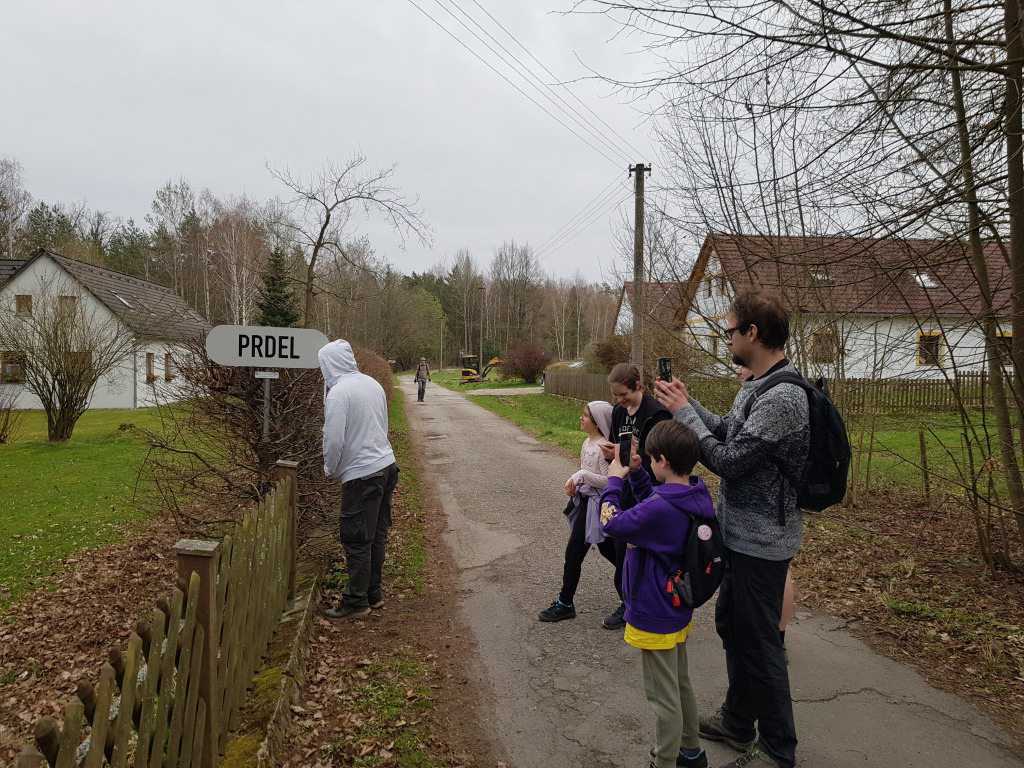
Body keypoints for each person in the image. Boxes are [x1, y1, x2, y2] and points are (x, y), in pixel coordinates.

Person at [656, 291, 808, 768]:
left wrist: (684, 416)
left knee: (761, 643)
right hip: (739, 535)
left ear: (752, 333)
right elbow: (726, 432)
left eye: (729, 331)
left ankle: (779, 751)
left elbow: (729, 461)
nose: (726, 339)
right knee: (733, 627)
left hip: (763, 542)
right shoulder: (757, 385)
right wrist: (688, 404)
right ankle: (739, 722)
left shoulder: (784, 397)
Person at [600, 420, 714, 768]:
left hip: (654, 610)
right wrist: (637, 473)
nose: (648, 463)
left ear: (662, 460)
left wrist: (614, 481)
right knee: (679, 684)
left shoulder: (660, 509)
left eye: (650, 460)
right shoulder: (694, 494)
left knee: (662, 697)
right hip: (676, 605)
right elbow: (654, 501)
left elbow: (611, 523)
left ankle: (664, 761)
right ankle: (691, 751)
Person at [319, 339, 400, 620]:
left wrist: (330, 469)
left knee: (356, 539)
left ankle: (356, 602)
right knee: (376, 535)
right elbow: (383, 425)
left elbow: (333, 440)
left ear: (329, 364)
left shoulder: (339, 393)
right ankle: (373, 595)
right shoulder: (372, 383)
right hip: (386, 466)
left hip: (362, 474)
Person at [598, 363, 671, 629]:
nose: (619, 400)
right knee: (616, 545)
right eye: (615, 395)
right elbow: (616, 445)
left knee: (641, 549)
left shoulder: (656, 413)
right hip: (626, 485)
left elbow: (661, 455)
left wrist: (632, 457)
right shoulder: (618, 411)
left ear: (638, 386)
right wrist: (612, 454)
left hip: (651, 488)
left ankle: (644, 603)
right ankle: (628, 600)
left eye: (624, 394)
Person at [538, 400, 617, 622]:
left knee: (577, 553)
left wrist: (581, 476)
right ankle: (636, 592)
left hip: (597, 507)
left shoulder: (604, 447)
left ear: (598, 422)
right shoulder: (586, 443)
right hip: (584, 504)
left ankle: (565, 604)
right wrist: (576, 486)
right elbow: (585, 474)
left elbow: (609, 480)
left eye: (586, 415)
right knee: (609, 552)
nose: (581, 418)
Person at [738, 365, 795, 660]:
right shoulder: (754, 393)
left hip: (767, 524)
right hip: (766, 520)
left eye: (743, 366)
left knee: (779, 575)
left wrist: (686, 411)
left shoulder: (777, 397)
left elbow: (731, 460)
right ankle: (774, 640)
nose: (738, 371)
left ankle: (776, 639)